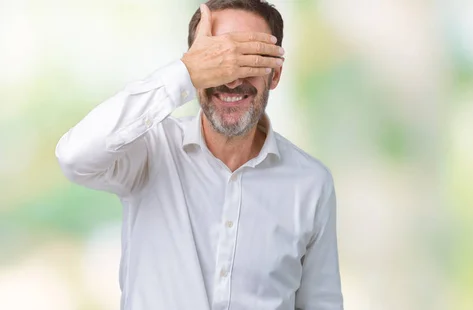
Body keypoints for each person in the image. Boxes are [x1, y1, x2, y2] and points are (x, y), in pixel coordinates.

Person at [55, 1, 343, 309]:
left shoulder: (311, 183)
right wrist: (184, 73)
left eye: (247, 59)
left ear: (274, 75)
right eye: (217, 59)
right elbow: (74, 156)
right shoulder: (151, 150)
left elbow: (321, 303)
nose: (232, 78)